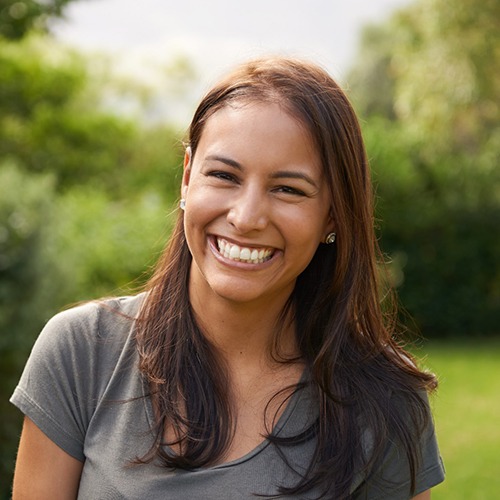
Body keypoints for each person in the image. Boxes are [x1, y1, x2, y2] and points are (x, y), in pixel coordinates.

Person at [10, 57, 445, 499]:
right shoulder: (80, 353)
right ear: (186, 177)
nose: (246, 216)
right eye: (223, 175)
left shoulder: (386, 401)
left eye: (288, 189)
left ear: (332, 213)